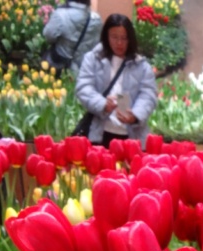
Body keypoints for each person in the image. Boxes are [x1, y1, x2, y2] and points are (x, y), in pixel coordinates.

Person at [75, 14, 157, 147]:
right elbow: (84, 87)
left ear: (130, 39)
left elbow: (148, 95)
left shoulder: (141, 66)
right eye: (114, 37)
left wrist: (135, 115)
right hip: (100, 133)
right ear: (106, 36)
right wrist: (102, 104)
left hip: (131, 137)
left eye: (124, 38)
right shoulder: (93, 59)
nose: (119, 43)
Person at [43, 0, 102, 75]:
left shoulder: (61, 15)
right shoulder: (97, 19)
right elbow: (96, 45)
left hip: (60, 67)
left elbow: (48, 36)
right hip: (84, 70)